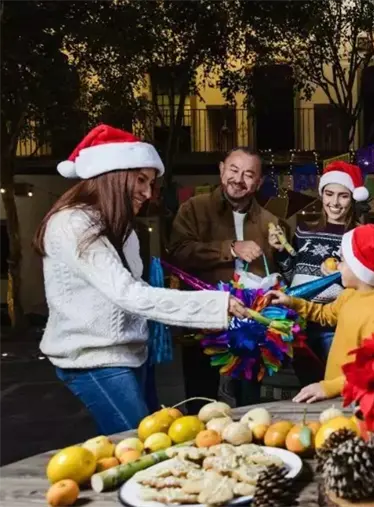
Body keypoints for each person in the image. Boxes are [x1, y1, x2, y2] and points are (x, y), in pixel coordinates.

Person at [35, 124, 246, 435]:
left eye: (151, 183)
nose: (148, 192)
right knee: (141, 448)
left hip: (133, 355)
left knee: (150, 444)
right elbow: (129, 294)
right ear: (114, 174)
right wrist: (217, 303)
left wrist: (208, 310)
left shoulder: (124, 231)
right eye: (141, 180)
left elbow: (139, 292)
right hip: (94, 359)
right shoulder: (72, 224)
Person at [167, 147, 288, 409]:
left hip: (249, 327)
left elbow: (280, 273)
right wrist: (231, 248)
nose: (238, 179)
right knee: (200, 401)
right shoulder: (194, 209)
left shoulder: (270, 221)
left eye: (248, 174)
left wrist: (282, 251)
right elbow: (179, 252)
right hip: (203, 320)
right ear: (222, 170)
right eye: (233, 170)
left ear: (258, 183)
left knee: (249, 405)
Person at [264, 224, 374, 403]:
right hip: (338, 394)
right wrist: (291, 302)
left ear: (361, 268)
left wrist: (328, 387)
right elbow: (325, 314)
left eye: (344, 261)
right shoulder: (350, 294)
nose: (337, 265)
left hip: (358, 399)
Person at [273, 161, 367, 374]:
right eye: (329, 194)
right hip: (299, 324)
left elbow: (369, 283)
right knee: (307, 387)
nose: (335, 202)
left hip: (335, 324)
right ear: (322, 195)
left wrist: (341, 277)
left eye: (343, 196)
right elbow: (291, 276)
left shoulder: (360, 235)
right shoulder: (303, 230)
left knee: (337, 383)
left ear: (352, 198)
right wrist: (280, 252)